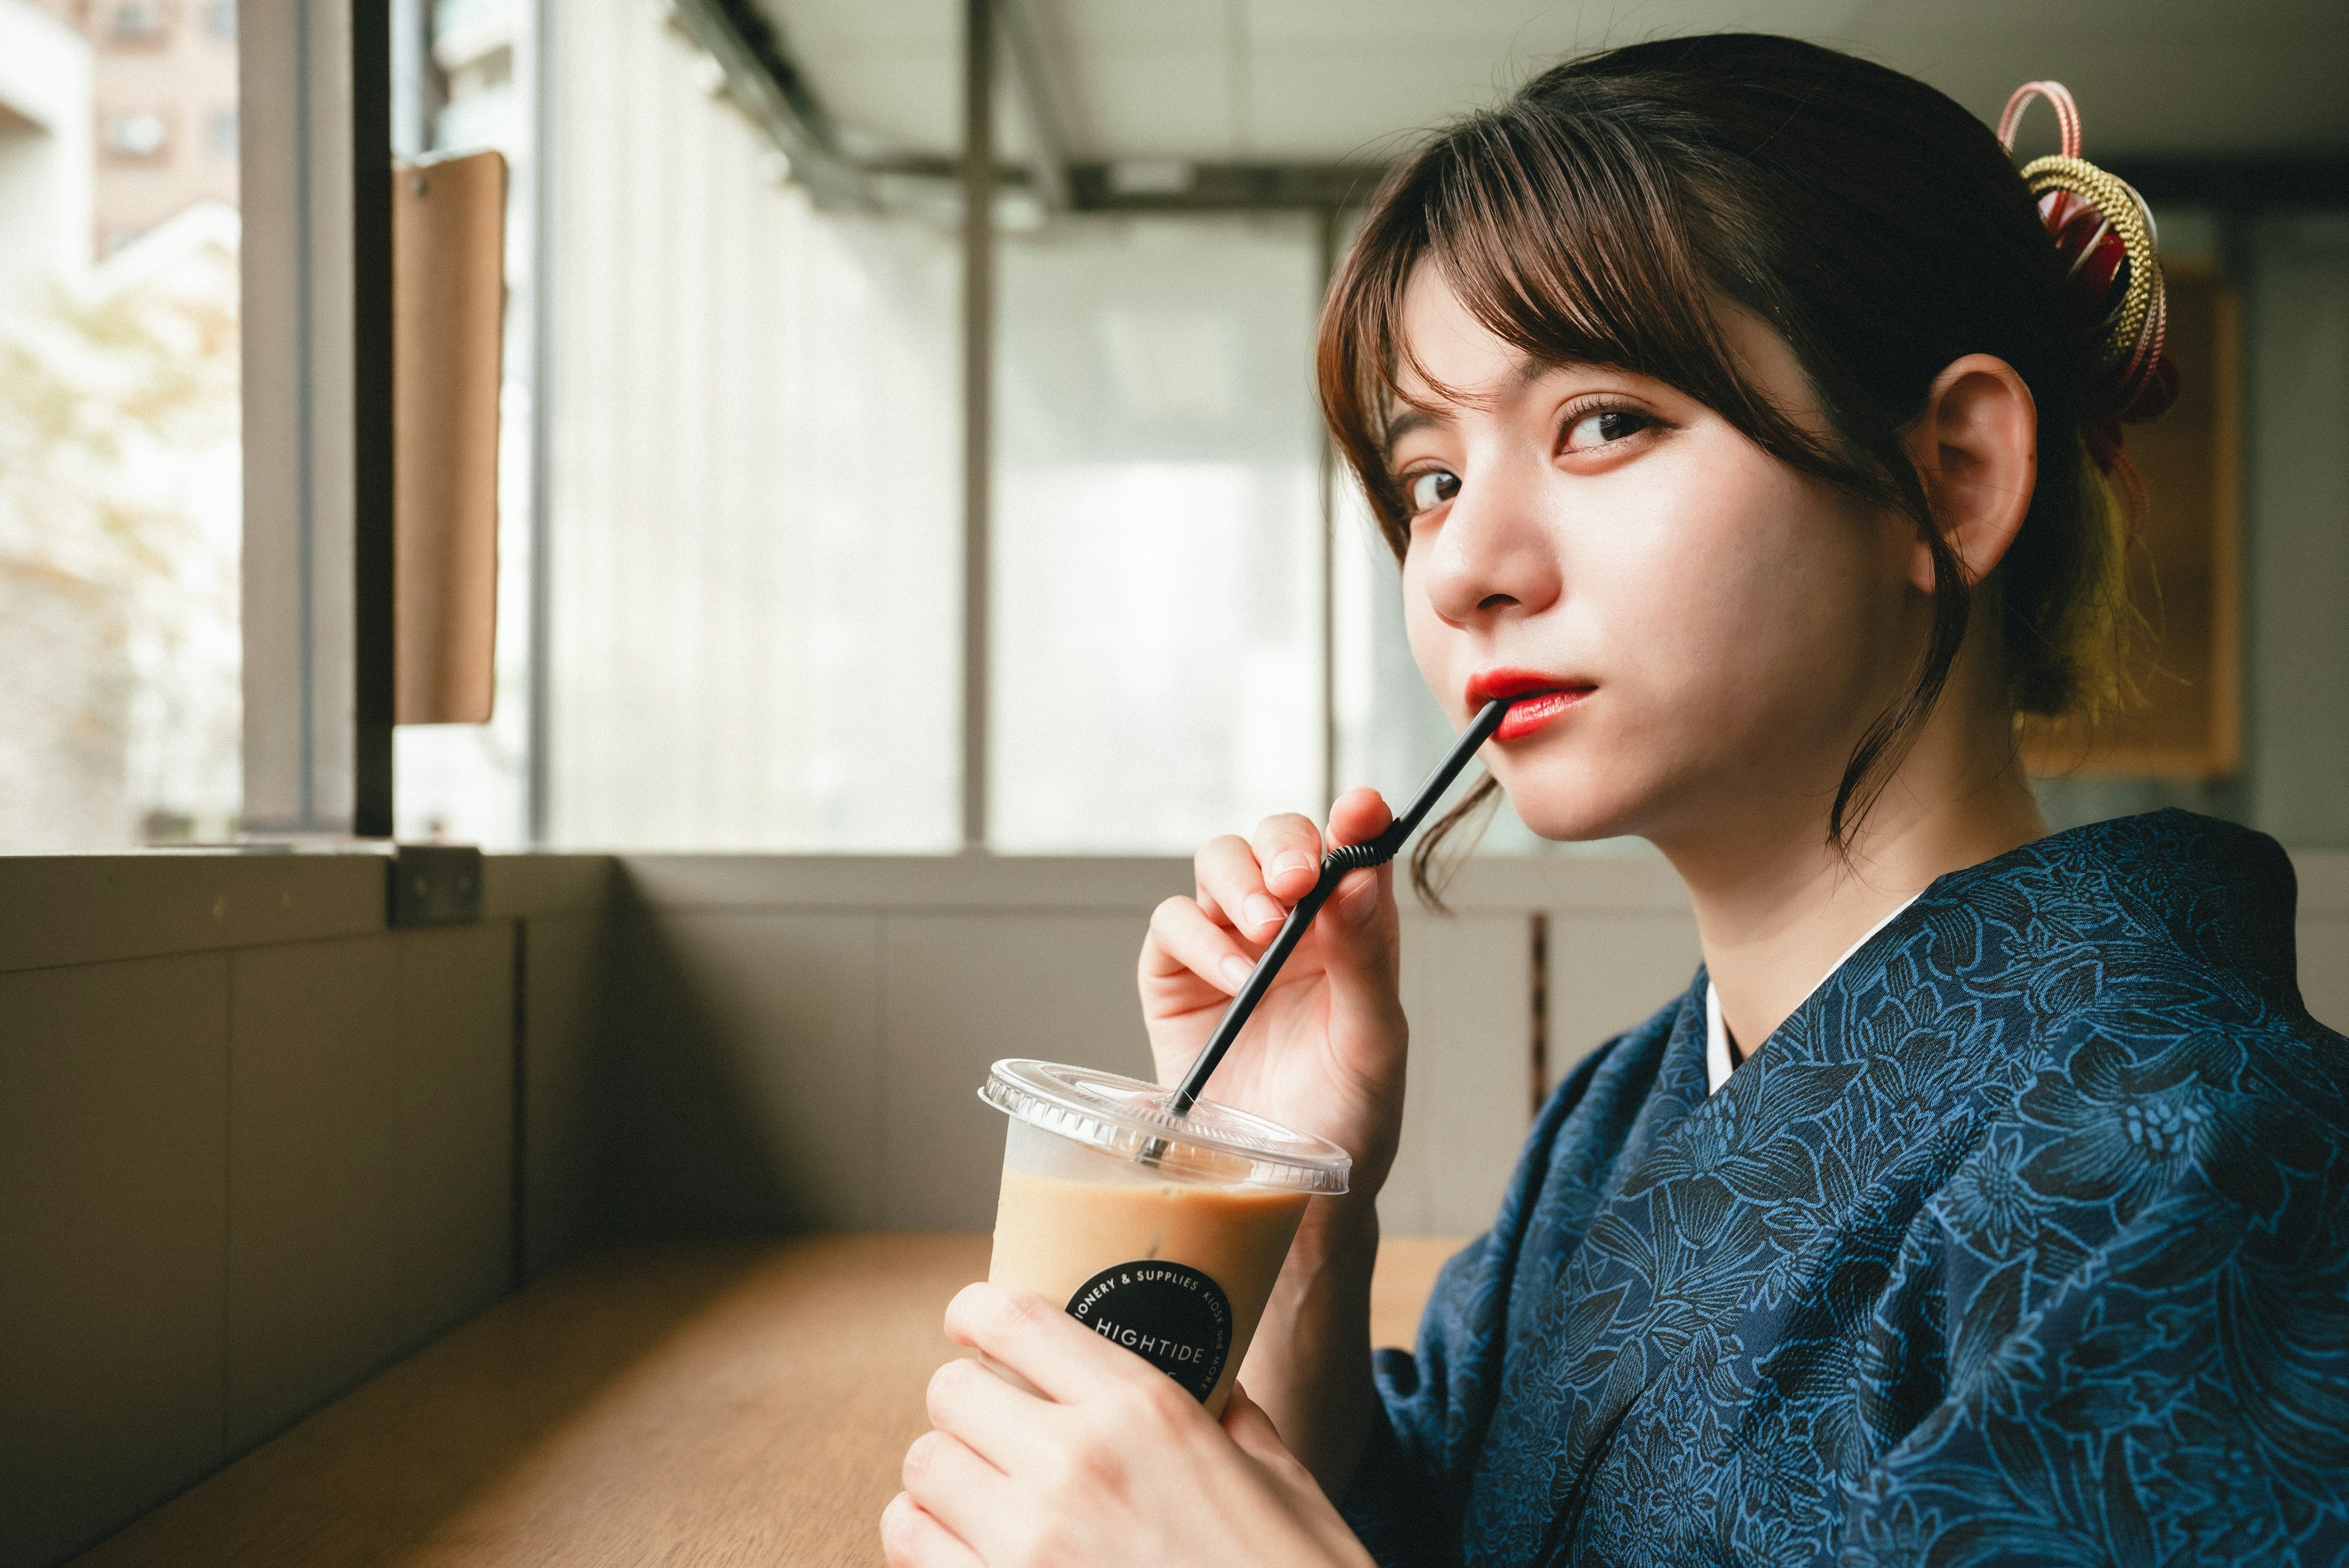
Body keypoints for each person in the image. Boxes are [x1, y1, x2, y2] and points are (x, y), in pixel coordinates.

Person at [884, 33, 2349, 1567]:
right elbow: (1447, 1522)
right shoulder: (1617, 1115)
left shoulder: (2200, 1160)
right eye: (1431, 474)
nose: (1458, 566)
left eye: (1603, 422)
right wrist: (1289, 1187)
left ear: (1956, 477)